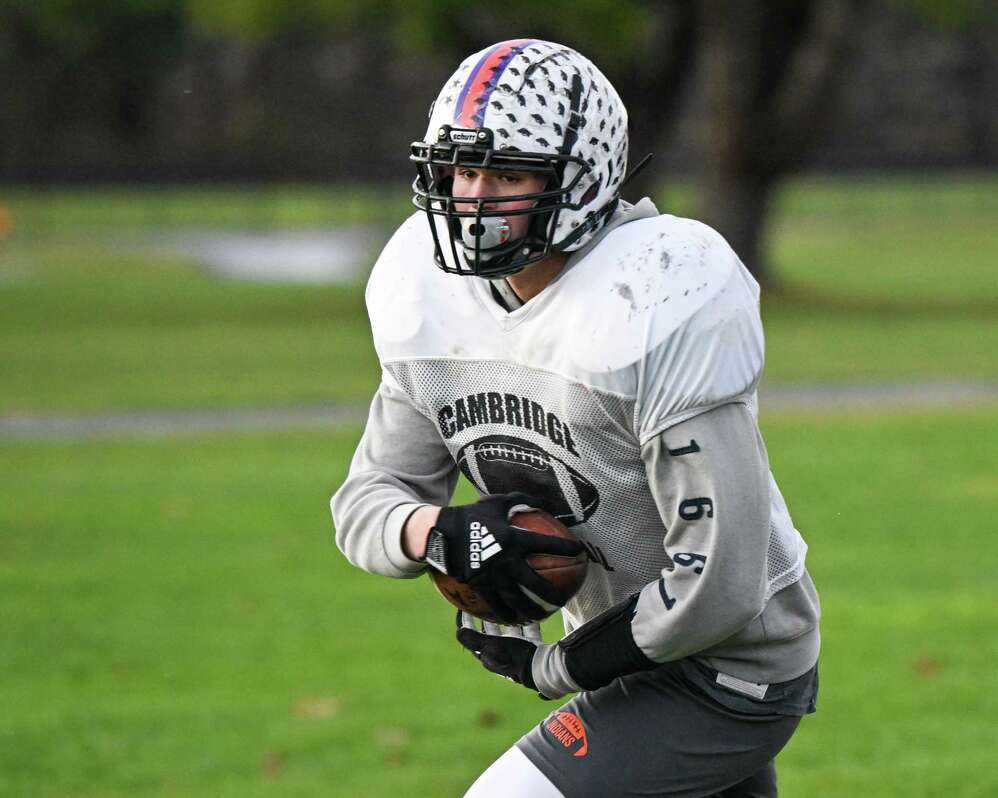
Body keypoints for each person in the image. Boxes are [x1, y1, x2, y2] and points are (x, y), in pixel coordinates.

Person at [331, 39, 820, 798]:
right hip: (634, 651)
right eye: (463, 171)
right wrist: (436, 535)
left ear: (585, 181)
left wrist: (562, 666)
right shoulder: (425, 296)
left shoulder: (657, 293)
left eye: (507, 173)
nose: (474, 199)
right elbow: (366, 499)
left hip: (729, 669)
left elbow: (720, 585)